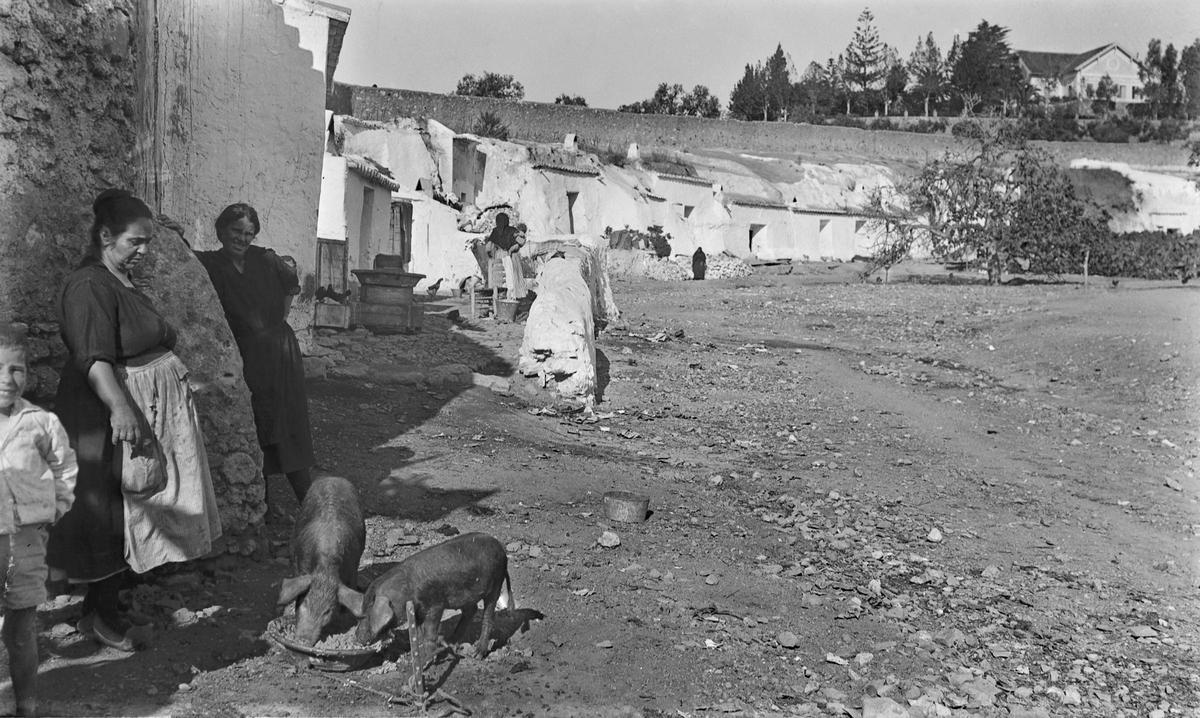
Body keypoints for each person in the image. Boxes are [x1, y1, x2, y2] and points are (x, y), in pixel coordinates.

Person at [48, 189, 222, 653]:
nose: (143, 251)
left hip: (128, 410)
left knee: (129, 506)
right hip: (99, 416)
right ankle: (102, 617)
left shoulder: (118, 280)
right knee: (104, 509)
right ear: (105, 235)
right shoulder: (89, 285)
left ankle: (104, 610)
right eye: (135, 242)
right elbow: (93, 357)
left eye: (147, 243)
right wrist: (122, 409)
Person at [196, 204, 315, 510]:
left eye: (249, 233)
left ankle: (311, 501)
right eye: (237, 231)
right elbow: (182, 256)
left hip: (279, 353)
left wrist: (279, 320)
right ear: (222, 230)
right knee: (257, 421)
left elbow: (291, 285)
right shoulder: (211, 263)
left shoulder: (266, 259)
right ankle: (262, 503)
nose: (243, 238)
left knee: (286, 421)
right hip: (246, 352)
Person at [0, 324, 77, 717]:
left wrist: (55, 509)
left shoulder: (40, 423)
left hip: (28, 538)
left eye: (16, 369)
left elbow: (64, 468)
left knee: (22, 626)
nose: (7, 380)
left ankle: (26, 707)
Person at [481, 212, 527, 299]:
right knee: (512, 276)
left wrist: (490, 255)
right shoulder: (512, 230)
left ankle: (500, 295)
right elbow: (521, 241)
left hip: (499, 256)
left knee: (500, 277)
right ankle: (513, 296)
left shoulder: (495, 231)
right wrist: (515, 246)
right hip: (511, 256)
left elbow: (488, 247)